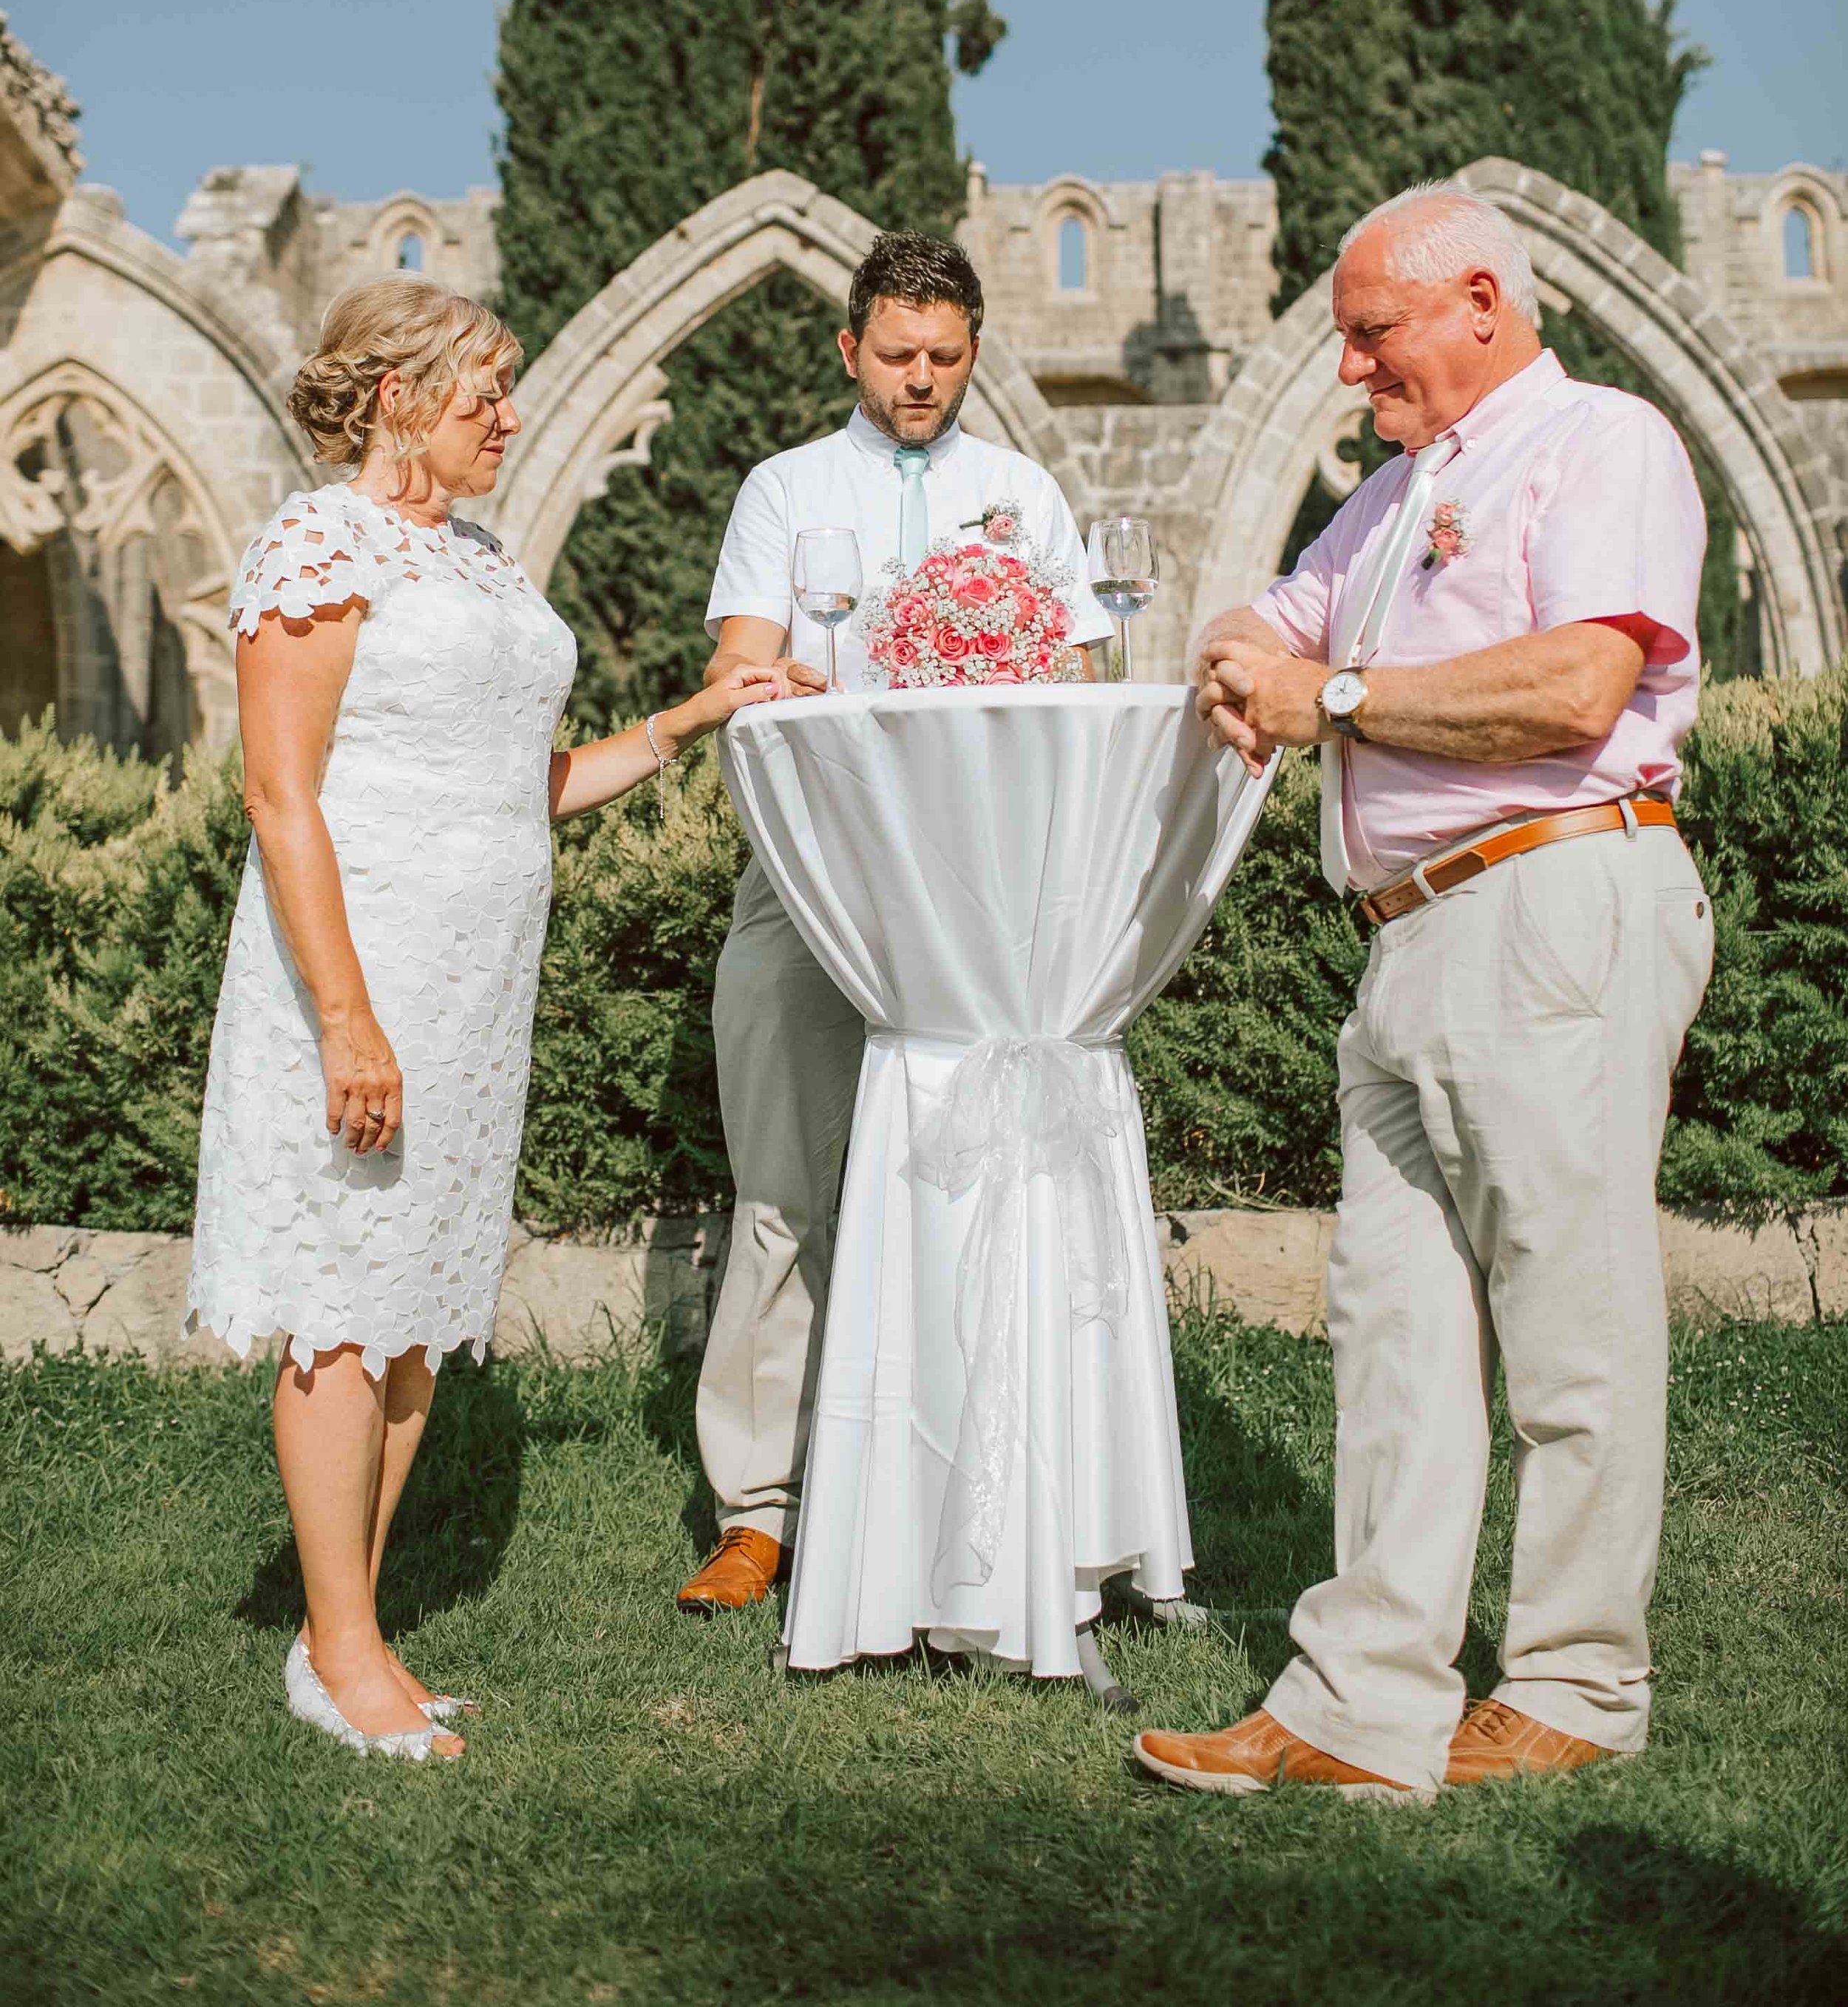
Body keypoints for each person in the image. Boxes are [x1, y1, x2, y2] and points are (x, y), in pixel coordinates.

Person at [1135, 184, 1713, 1804]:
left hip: (1548, 898)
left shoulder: (1602, 442)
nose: (1345, 367)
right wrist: (1242, 656)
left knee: (1567, 1319)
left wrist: (1317, 696)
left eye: (1369, 331)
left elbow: (1574, 681)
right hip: (1403, 937)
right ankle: (1359, 1699)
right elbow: (1263, 619)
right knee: (1388, 1335)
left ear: (1476, 300)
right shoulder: (1394, 494)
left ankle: (1576, 1685)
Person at [184, 276, 775, 1760]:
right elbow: (281, 794)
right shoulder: (316, 545)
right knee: (337, 1309)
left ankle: (344, 1632)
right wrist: (346, 1019)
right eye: (482, 390)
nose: (508, 415)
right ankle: (343, 1648)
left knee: (413, 1315)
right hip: (360, 978)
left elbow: (527, 780)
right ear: (394, 395)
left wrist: (685, 726)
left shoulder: (481, 558)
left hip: (472, 991)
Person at [676, 229, 1112, 1612]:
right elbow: (739, 663)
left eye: (945, 356)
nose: (921, 379)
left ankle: (970, 1489)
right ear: (849, 347)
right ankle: (762, 1507)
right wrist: (796, 675)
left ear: (974, 351)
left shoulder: (1024, 492)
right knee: (784, 1190)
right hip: (816, 869)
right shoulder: (785, 487)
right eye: (897, 354)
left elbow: (1084, 669)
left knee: (980, 1178)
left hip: (984, 887)